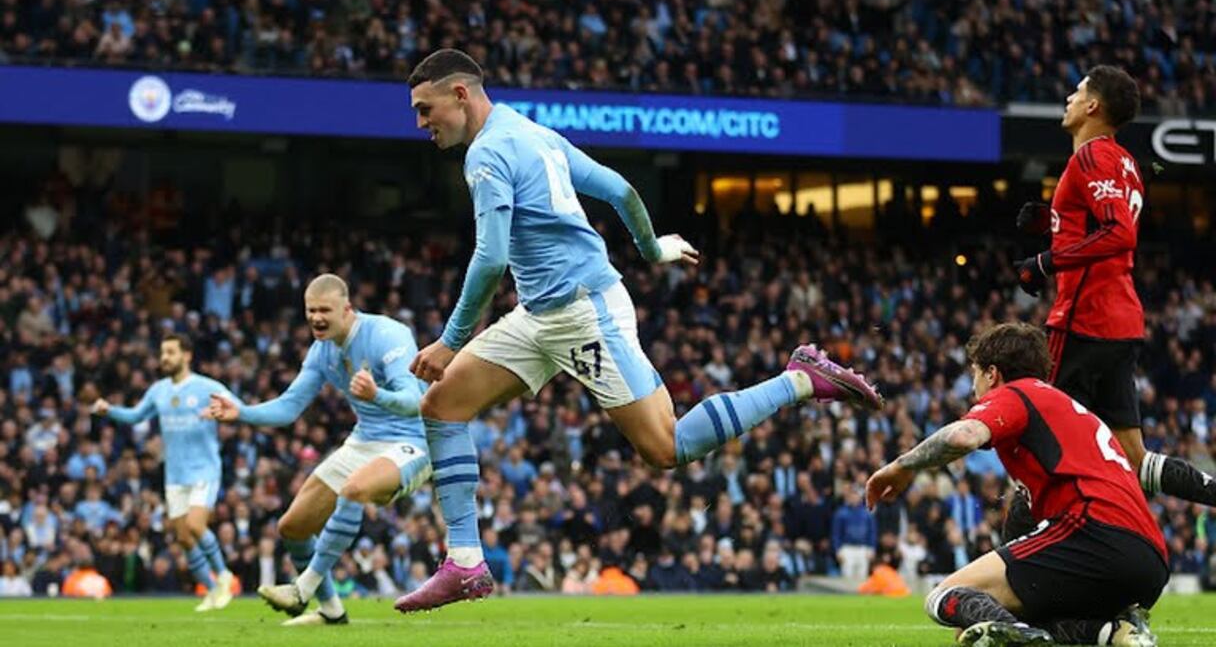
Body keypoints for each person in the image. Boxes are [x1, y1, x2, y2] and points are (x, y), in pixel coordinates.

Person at [398, 48, 882, 611]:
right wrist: (653, 249)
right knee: (442, 407)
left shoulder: (486, 154)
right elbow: (620, 189)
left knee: (666, 446)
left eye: (424, 108)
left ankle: (799, 380)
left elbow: (489, 257)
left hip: (583, 313)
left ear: (460, 94)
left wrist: (450, 339)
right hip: (540, 313)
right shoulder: (534, 133)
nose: (420, 123)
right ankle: (464, 563)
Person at [205, 274, 488, 625]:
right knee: (293, 527)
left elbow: (415, 400)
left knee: (354, 489)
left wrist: (377, 395)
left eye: (324, 310)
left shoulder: (386, 334)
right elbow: (290, 407)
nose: (316, 318)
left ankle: (302, 588)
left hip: (412, 441)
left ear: (347, 309)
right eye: (310, 311)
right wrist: (241, 412)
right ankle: (331, 611)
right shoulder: (322, 351)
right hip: (363, 441)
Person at [866, 323, 1165, 646]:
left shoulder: (1017, 393)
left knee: (944, 597)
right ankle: (1113, 632)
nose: (973, 387)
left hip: (1093, 533)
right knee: (983, 622)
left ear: (992, 374)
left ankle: (1022, 639)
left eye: (975, 374)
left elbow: (962, 436)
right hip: (1150, 561)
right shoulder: (1070, 411)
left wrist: (901, 466)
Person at [1015, 64, 1216, 508]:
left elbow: (1118, 233)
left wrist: (1044, 263)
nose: (1069, 97)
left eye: (1077, 90)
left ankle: (1017, 566)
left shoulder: (1090, 156)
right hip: (1121, 324)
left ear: (1093, 106)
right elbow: (1099, 232)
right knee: (1132, 456)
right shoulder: (1125, 162)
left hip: (1083, 320)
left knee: (1033, 437)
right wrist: (1051, 223)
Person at [93, 333, 236, 612]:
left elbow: (238, 408)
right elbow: (136, 416)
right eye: (162, 353)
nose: (164, 358)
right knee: (183, 538)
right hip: (175, 474)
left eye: (170, 352)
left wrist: (221, 412)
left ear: (187, 355)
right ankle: (210, 590)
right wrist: (109, 410)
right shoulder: (158, 390)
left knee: (196, 526)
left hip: (204, 469)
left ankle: (224, 575)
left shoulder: (208, 387)